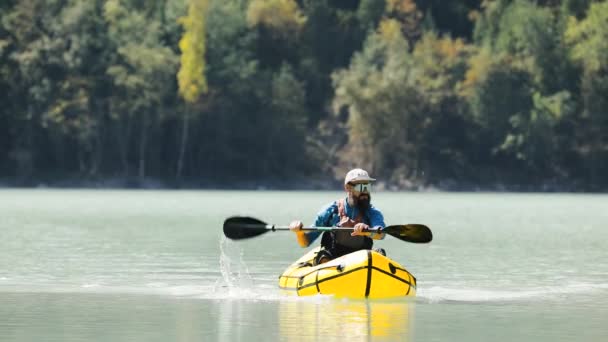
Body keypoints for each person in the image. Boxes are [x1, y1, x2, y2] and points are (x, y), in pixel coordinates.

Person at [289, 168, 386, 265]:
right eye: (361, 187)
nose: (365, 192)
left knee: (380, 254)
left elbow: (381, 234)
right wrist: (299, 233)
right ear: (348, 187)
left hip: (361, 260)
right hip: (333, 259)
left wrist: (368, 231)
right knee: (323, 258)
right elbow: (305, 242)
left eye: (367, 187)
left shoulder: (373, 212)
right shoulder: (330, 211)